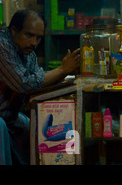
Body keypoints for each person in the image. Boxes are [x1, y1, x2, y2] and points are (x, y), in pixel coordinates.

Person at [0, 9, 80, 164]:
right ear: (14, 30)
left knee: (33, 128)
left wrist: (63, 76)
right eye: (29, 35)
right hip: (2, 119)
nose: (34, 43)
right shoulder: (3, 45)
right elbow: (24, 83)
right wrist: (62, 70)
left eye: (38, 38)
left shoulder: (29, 52)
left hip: (11, 116)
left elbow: (37, 83)